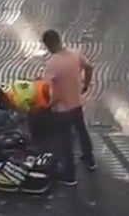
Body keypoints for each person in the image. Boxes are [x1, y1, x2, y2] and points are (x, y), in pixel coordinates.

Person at [41, 29, 96, 185]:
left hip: (62, 108)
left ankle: (70, 176)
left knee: (65, 141)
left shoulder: (52, 64)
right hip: (77, 101)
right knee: (81, 130)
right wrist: (85, 85)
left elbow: (51, 89)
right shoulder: (75, 54)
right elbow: (89, 67)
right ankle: (90, 160)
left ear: (49, 44)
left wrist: (50, 104)